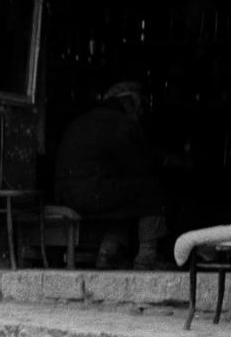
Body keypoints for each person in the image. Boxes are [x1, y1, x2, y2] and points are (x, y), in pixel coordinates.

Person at [53, 81, 169, 268]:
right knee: (151, 190)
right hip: (91, 193)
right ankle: (147, 256)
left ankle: (109, 252)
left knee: (124, 193)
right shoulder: (123, 124)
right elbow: (141, 166)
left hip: (65, 194)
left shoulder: (84, 119)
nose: (140, 112)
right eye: (139, 106)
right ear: (130, 103)